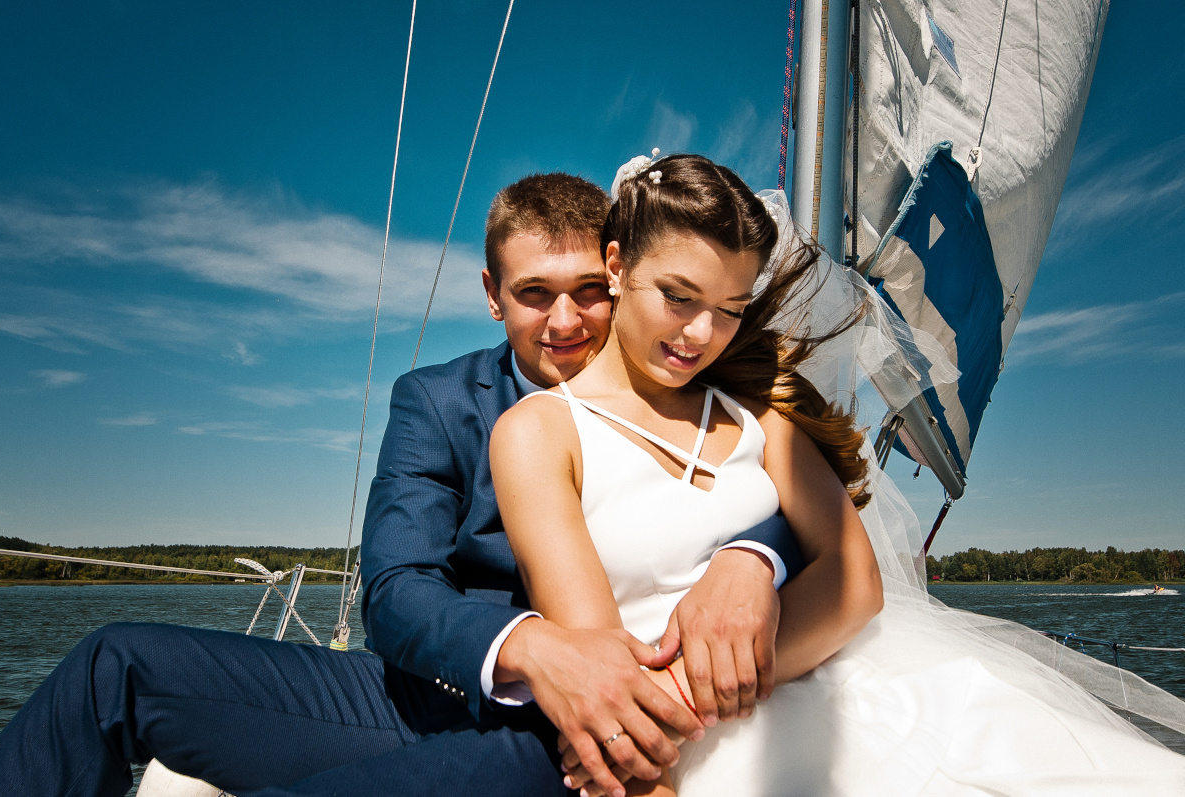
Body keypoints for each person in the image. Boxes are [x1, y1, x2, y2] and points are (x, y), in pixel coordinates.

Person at [0, 172, 838, 797]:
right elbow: (395, 591)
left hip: (559, 737)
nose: (568, 321)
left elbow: (760, 492)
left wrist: (750, 556)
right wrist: (533, 647)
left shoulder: (708, 395)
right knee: (115, 663)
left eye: (586, 292)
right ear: (493, 296)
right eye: (536, 294)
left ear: (617, 277)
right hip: (435, 694)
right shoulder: (436, 401)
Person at [490, 153, 1185, 796]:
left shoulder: (762, 415)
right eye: (679, 296)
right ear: (615, 265)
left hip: (856, 697)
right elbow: (599, 673)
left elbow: (856, 581)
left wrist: (692, 689)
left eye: (730, 310)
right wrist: (650, 729)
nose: (702, 334)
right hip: (703, 760)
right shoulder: (539, 433)